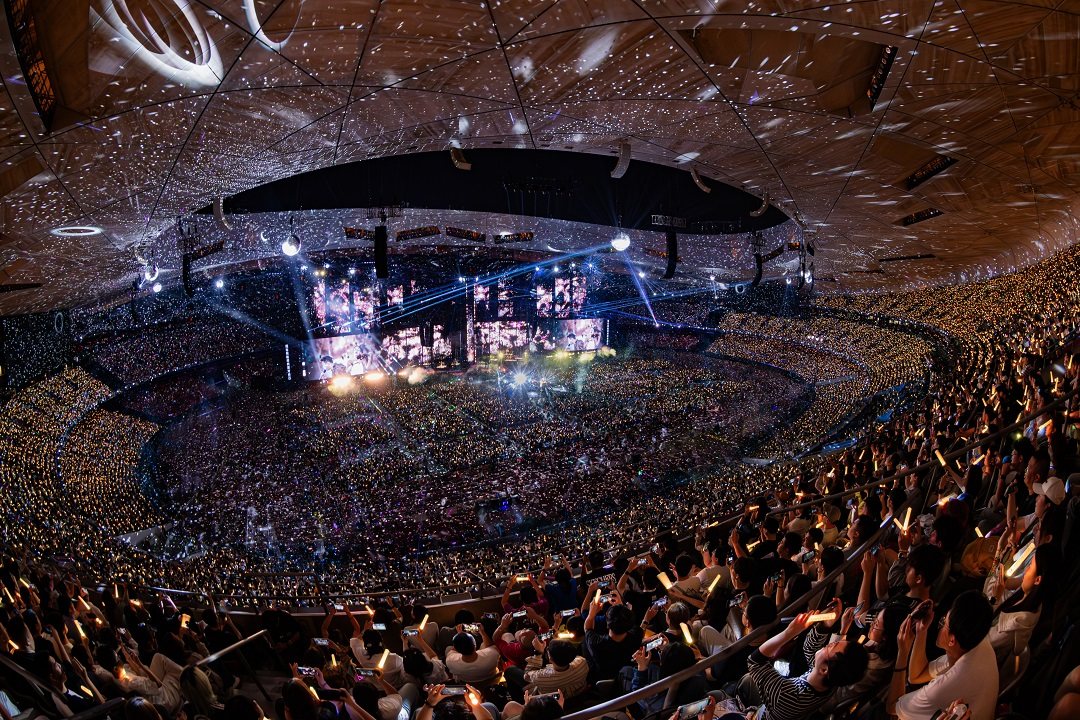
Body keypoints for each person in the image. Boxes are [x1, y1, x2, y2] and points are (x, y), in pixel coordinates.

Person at [745, 601, 869, 720]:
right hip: (770, 706)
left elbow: (754, 661)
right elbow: (810, 648)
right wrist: (826, 625)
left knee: (745, 681)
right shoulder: (830, 682)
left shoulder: (787, 695)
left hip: (761, 715)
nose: (829, 644)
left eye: (832, 646)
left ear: (824, 669)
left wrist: (789, 632)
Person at [889, 591, 998, 720]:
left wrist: (903, 652)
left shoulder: (937, 690)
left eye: (943, 622)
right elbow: (916, 676)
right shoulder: (978, 642)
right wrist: (921, 632)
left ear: (952, 640)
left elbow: (892, 707)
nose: (938, 625)